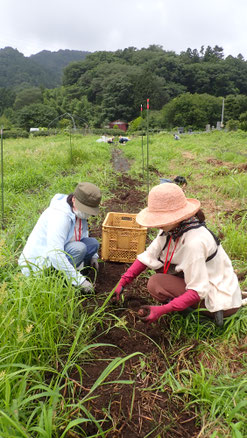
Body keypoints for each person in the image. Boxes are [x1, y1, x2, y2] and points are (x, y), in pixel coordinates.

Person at [113, 183, 242, 326]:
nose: (157, 224)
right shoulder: (174, 229)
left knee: (157, 284)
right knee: (158, 279)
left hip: (220, 301)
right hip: (207, 284)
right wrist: (122, 282)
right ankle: (186, 309)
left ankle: (205, 321)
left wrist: (162, 310)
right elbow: (149, 255)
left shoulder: (194, 242)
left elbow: (197, 291)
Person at [18, 182, 102, 292]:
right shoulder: (60, 216)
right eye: (85, 209)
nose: (87, 214)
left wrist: (93, 256)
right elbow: (55, 253)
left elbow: (83, 233)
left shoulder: (77, 211)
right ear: (74, 200)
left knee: (92, 244)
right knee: (79, 248)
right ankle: (59, 281)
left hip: (63, 249)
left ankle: (76, 272)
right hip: (42, 262)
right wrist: (79, 281)